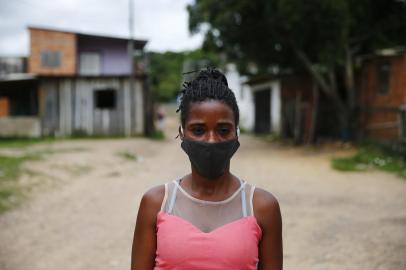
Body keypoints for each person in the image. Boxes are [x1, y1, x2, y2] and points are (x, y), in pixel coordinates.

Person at [131, 68, 283, 270]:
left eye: (223, 130)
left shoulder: (262, 207)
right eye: (199, 130)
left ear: (236, 133)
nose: (211, 140)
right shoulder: (157, 203)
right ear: (182, 133)